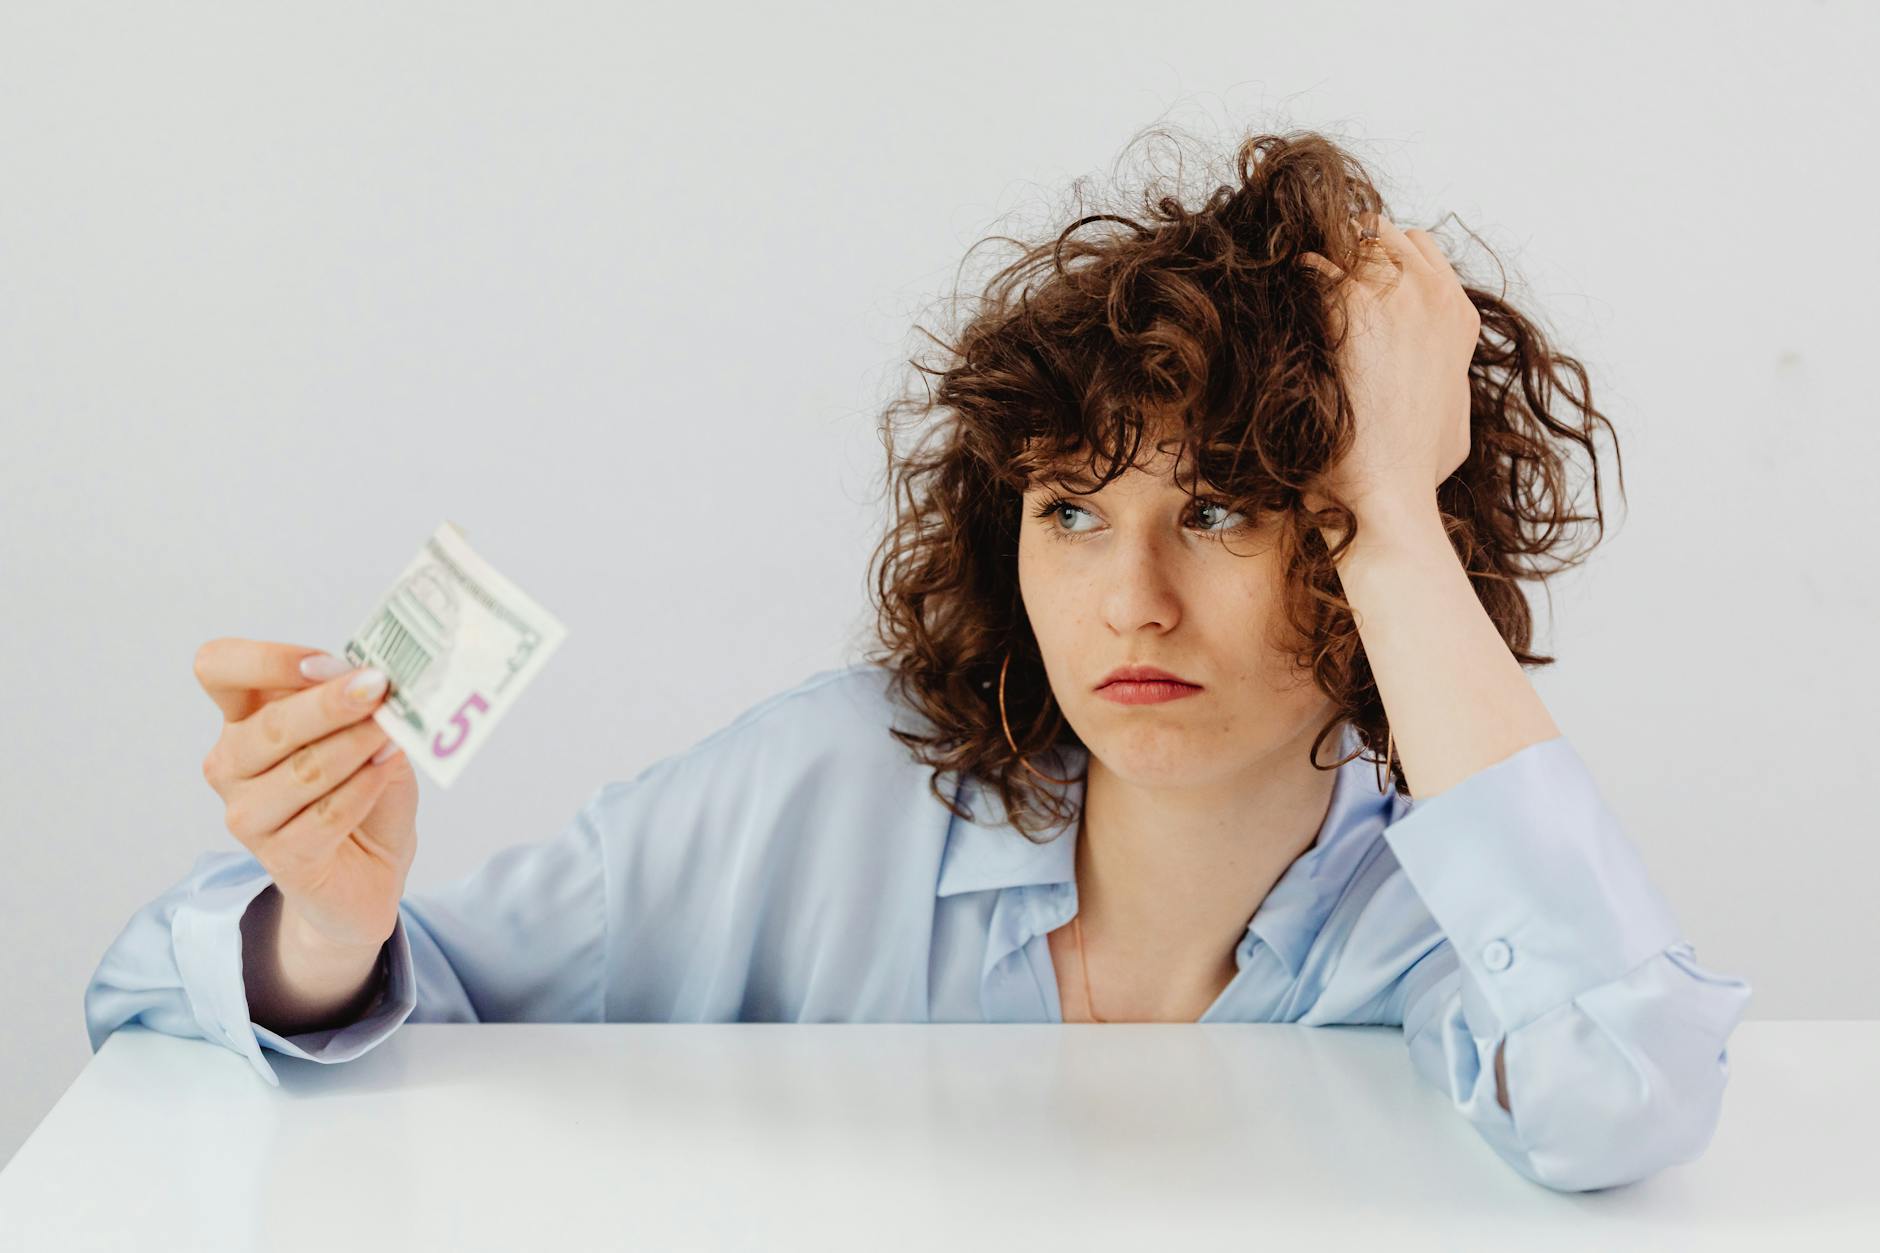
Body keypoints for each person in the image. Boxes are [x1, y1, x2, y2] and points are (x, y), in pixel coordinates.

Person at [83, 129, 1751, 1193]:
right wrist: (327, 922)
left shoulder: (1436, 924)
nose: (1132, 604)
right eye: (1074, 514)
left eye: (1229, 512)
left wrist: (1389, 494)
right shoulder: (829, 792)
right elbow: (195, 1003)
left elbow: (1625, 1089)